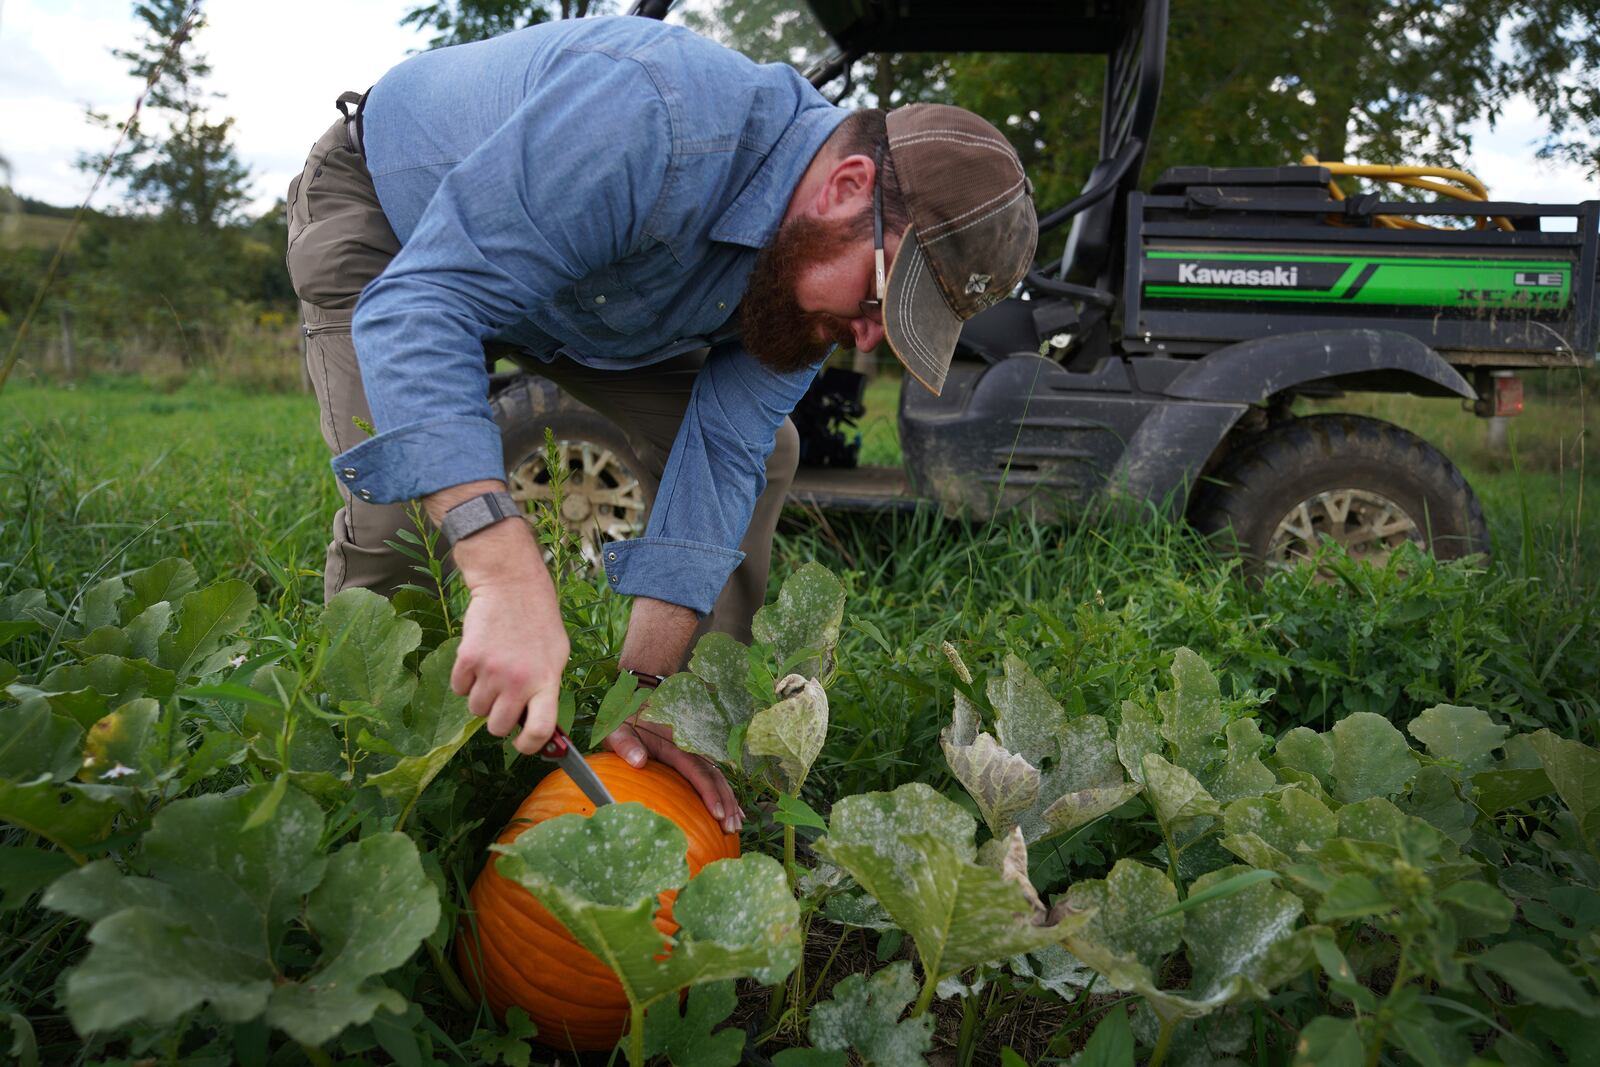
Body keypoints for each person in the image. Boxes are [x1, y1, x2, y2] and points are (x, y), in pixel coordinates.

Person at [285, 14, 1038, 832]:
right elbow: (426, 304)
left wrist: (645, 685)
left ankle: (672, 718)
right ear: (846, 186)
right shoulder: (652, 120)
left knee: (770, 449)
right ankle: (366, 785)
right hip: (399, 224)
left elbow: (722, 445)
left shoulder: (807, 263)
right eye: (876, 299)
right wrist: (504, 573)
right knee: (403, 511)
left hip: (589, 295)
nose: (868, 337)